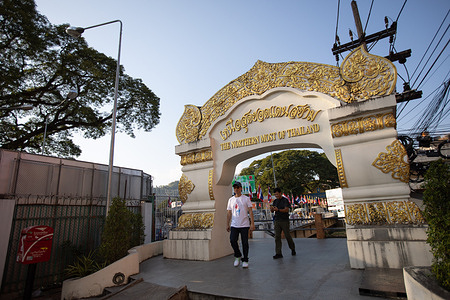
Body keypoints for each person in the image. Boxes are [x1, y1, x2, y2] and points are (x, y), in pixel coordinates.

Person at [226, 181, 255, 268]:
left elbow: (250, 211)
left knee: (245, 243)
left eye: (237, 187)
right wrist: (227, 223)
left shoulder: (246, 198)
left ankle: (245, 260)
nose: (236, 189)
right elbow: (229, 212)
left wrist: (252, 223)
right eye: (235, 188)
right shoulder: (231, 200)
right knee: (232, 240)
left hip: (244, 224)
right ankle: (238, 255)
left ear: (241, 188)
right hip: (234, 224)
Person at [270, 187, 296, 259]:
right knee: (277, 237)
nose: (276, 196)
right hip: (277, 220)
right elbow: (273, 210)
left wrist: (278, 210)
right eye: (275, 195)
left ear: (280, 193)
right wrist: (272, 209)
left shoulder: (285, 200)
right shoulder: (275, 201)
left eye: (277, 194)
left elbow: (286, 210)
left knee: (287, 235)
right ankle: (278, 253)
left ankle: (292, 248)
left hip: (284, 220)